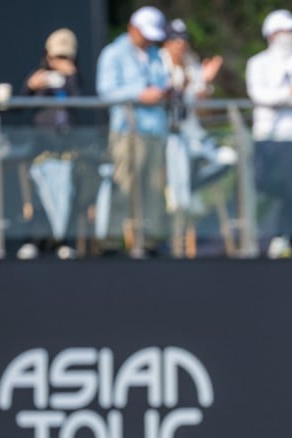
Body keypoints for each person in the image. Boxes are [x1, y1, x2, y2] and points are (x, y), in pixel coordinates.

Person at [96, 5, 170, 257]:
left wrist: (164, 92)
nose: (148, 39)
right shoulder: (113, 53)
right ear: (132, 28)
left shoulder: (155, 55)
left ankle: (148, 241)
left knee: (152, 188)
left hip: (154, 131)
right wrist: (139, 95)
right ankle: (112, 242)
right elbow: (106, 91)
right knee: (124, 187)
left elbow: (161, 82)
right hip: (126, 131)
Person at [246, 9, 292, 258]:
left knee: (291, 190)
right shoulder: (257, 63)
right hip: (266, 135)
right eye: (287, 31)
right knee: (264, 185)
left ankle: (283, 237)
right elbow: (260, 96)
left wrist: (290, 96)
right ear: (272, 34)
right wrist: (291, 93)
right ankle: (263, 236)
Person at [159, 18, 233, 256]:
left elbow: (205, 112)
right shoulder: (156, 63)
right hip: (167, 138)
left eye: (183, 40)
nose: (180, 45)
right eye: (175, 40)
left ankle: (189, 189)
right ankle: (175, 228)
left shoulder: (192, 65)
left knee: (227, 158)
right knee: (177, 186)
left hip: (193, 136)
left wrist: (204, 84)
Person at [16, 28, 88, 260]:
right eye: (57, 57)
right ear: (47, 56)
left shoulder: (74, 79)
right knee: (40, 194)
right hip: (40, 146)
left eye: (66, 58)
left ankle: (63, 240)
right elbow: (19, 107)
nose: (61, 62)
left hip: (66, 148)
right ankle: (37, 240)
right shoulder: (39, 78)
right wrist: (30, 86)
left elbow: (80, 104)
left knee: (65, 194)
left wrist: (72, 77)